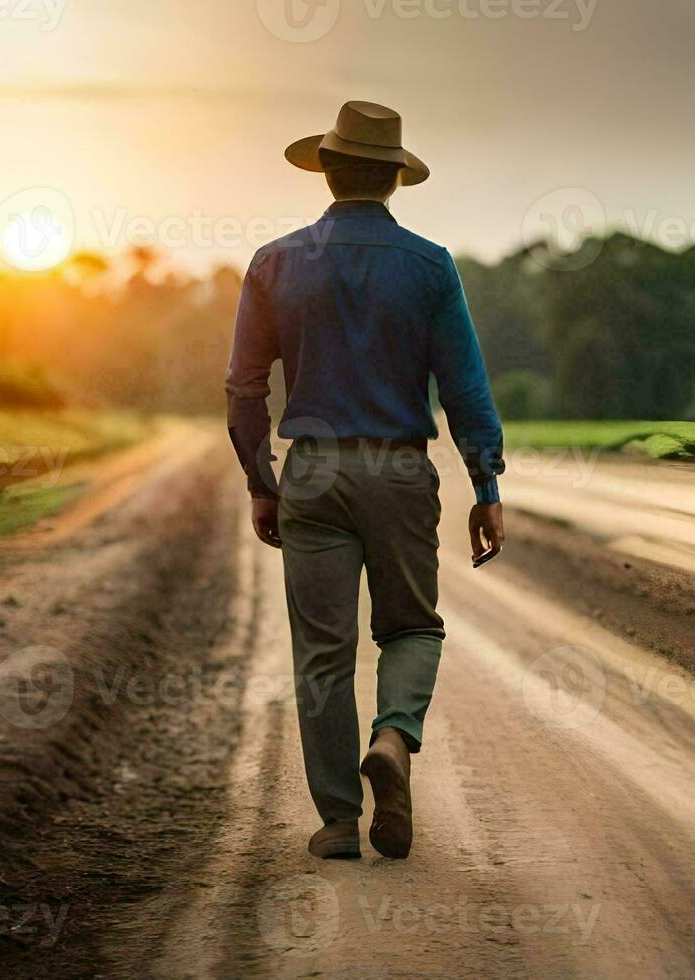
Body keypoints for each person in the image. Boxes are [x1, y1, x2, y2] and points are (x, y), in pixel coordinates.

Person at [225, 101, 505, 860]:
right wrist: (486, 483)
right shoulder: (429, 265)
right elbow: (464, 387)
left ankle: (340, 822)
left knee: (322, 652)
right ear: (392, 179)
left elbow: (244, 387)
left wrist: (261, 480)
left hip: (312, 472)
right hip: (399, 470)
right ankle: (393, 735)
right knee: (412, 627)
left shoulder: (274, 263)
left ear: (327, 169)